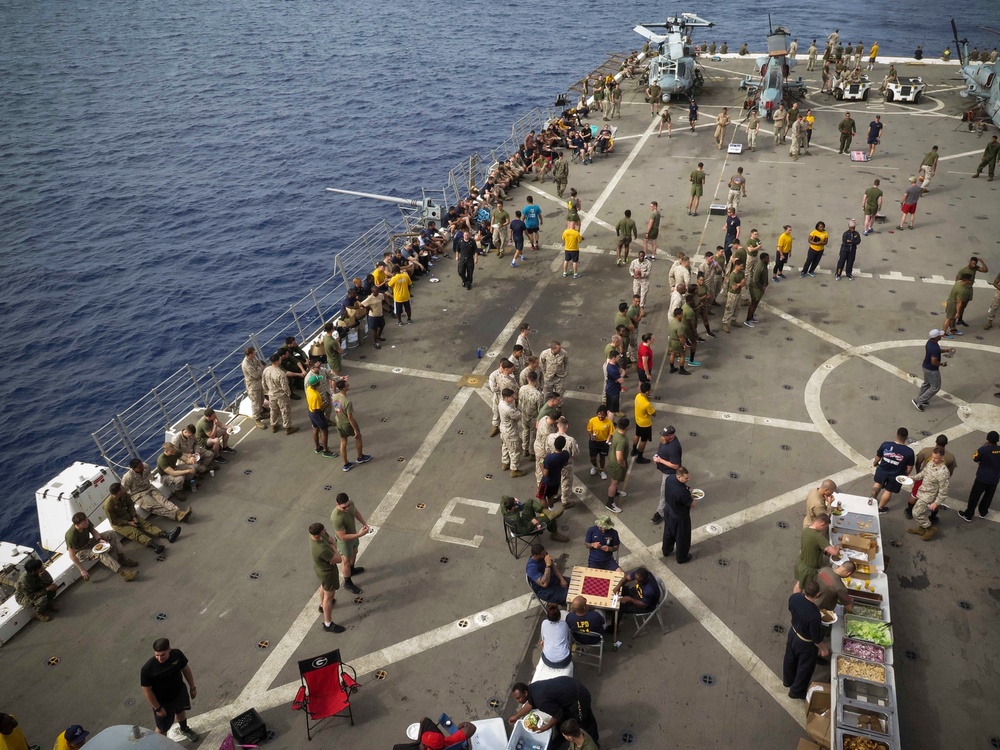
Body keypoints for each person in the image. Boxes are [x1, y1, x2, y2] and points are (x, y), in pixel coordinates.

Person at [140, 638, 199, 742]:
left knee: (180, 710)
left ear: (169, 650)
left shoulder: (177, 654)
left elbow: (185, 669)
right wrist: (157, 708)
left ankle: (184, 729)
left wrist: (192, 687)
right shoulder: (148, 669)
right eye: (156, 655)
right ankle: (160, 745)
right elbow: (147, 691)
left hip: (179, 692)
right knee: (162, 727)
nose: (159, 658)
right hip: (163, 702)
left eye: (162, 655)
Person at [510, 678, 599, 746]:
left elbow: (558, 714)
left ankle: (594, 742)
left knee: (584, 721)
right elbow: (530, 703)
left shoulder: (541, 701)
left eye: (519, 698)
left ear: (525, 693)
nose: (518, 701)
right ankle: (563, 737)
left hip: (579, 697)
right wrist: (516, 716)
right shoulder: (532, 688)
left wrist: (546, 727)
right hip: (569, 688)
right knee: (567, 718)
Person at [783, 581, 829, 700]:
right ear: (817, 594)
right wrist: (823, 649)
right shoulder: (814, 614)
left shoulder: (795, 598)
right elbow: (816, 637)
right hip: (805, 643)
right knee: (805, 668)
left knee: (790, 658)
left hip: (793, 633)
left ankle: (788, 681)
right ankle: (796, 691)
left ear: (805, 590)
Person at [105, 483, 179, 555]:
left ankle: (166, 535)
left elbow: (130, 505)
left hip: (128, 515)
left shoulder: (124, 494)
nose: (124, 487)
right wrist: (129, 523)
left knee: (145, 524)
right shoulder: (108, 505)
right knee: (135, 533)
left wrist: (133, 516)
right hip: (119, 523)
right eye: (122, 487)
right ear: (118, 492)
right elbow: (114, 521)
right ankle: (154, 546)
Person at [65, 511, 139, 582]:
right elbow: (72, 555)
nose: (87, 522)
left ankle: (121, 558)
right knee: (99, 553)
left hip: (88, 542)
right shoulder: (71, 535)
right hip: (80, 552)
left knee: (111, 533)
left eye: (86, 520)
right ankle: (123, 573)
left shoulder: (86, 522)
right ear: (77, 525)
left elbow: (93, 531)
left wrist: (99, 539)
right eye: (84, 523)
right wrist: (82, 570)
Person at [308, 522, 347, 633]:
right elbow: (339, 559)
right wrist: (334, 549)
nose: (325, 531)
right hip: (328, 573)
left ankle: (322, 605)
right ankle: (328, 623)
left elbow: (332, 541)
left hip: (320, 569)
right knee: (329, 597)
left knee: (324, 587)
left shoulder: (313, 535)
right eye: (323, 531)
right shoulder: (321, 549)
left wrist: (332, 546)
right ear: (317, 535)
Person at [122, 458, 190, 521]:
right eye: (139, 467)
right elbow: (123, 490)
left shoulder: (145, 466)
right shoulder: (128, 477)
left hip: (149, 487)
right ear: (133, 469)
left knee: (163, 500)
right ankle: (176, 516)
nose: (142, 468)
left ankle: (178, 512)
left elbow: (149, 475)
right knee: (155, 506)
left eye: (141, 465)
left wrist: (152, 478)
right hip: (138, 494)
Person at [330, 492, 369, 595]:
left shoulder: (350, 503)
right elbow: (342, 537)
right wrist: (360, 534)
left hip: (353, 536)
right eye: (344, 507)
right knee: (346, 561)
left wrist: (364, 523)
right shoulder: (336, 518)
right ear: (337, 505)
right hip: (345, 542)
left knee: (355, 552)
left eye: (347, 505)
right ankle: (347, 582)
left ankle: (352, 570)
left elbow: (356, 512)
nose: (347, 508)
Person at [906, 447, 949, 541]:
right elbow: (923, 474)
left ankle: (930, 528)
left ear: (942, 457)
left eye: (936, 458)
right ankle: (921, 529)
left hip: (929, 496)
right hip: (922, 491)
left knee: (916, 513)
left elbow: (944, 491)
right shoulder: (931, 463)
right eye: (932, 457)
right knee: (920, 512)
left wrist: (936, 503)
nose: (933, 459)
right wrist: (912, 477)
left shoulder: (943, 472)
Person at [870, 428, 915, 512]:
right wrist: (905, 475)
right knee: (888, 491)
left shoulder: (886, 445)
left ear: (896, 435)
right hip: (896, 474)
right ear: (906, 438)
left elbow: (878, 456)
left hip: (882, 470)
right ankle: (879, 509)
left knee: (877, 484)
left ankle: (872, 499)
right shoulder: (909, 452)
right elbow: (910, 467)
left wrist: (875, 463)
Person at [330, 379, 372, 472]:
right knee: (358, 437)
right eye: (347, 385)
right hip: (347, 424)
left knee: (343, 442)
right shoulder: (347, 402)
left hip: (339, 422)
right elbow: (350, 417)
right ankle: (360, 457)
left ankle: (346, 464)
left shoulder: (335, 396)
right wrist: (355, 430)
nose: (348, 386)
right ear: (344, 388)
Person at [959, 431, 1000, 522]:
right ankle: (983, 512)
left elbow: (975, 458)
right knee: (988, 496)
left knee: (974, 496)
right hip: (994, 479)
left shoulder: (984, 449)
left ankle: (969, 515)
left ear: (988, 439)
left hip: (982, 478)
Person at [912, 329, 955, 412]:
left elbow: (936, 351)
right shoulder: (934, 347)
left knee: (926, 384)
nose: (941, 336)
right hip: (932, 370)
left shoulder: (930, 343)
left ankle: (921, 398)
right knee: (935, 387)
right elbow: (934, 361)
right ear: (936, 337)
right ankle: (918, 401)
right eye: (939, 335)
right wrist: (942, 364)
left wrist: (946, 350)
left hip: (925, 366)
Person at [794, 514, 841, 591]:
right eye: (826, 527)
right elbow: (834, 552)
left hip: (801, 563)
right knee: (805, 588)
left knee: (799, 584)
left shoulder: (806, 530)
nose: (824, 529)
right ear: (822, 525)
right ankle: (799, 601)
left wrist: (825, 553)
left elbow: (813, 547)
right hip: (809, 569)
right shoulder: (818, 537)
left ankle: (794, 600)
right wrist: (838, 547)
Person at [661, 466, 695, 563]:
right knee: (682, 537)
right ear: (679, 477)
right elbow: (692, 504)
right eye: (686, 478)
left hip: (668, 511)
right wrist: (693, 497)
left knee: (668, 532)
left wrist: (687, 489)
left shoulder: (670, 478)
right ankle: (682, 557)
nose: (688, 479)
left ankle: (666, 550)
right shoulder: (682, 492)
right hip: (680, 517)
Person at [263, 352, 297, 435]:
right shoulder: (280, 373)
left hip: (271, 394)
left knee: (273, 410)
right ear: (277, 361)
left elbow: (263, 383)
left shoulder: (266, 370)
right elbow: (285, 386)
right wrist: (288, 394)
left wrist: (268, 391)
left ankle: (274, 425)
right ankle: (288, 427)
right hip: (281, 395)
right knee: (285, 411)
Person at [392, 718, 476, 750]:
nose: (422, 743)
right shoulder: (450, 741)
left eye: (423, 743)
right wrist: (463, 724)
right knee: (425, 720)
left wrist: (420, 746)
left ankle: (417, 741)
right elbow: (472, 727)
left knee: (396, 748)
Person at [605, 417, 630, 513]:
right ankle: (610, 503)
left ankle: (615, 492)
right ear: (627, 427)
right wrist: (623, 464)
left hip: (612, 460)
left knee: (615, 481)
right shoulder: (622, 440)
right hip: (617, 464)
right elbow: (619, 456)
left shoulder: (616, 431)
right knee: (614, 483)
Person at [241, 346, 267, 428]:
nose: (255, 353)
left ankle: (261, 412)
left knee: (261, 399)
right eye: (254, 352)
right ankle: (257, 419)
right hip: (253, 385)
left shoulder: (253, 358)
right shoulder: (246, 364)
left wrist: (259, 367)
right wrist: (260, 368)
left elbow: (259, 363)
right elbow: (255, 374)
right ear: (250, 354)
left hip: (259, 382)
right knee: (255, 402)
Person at [539, 603, 572, 668]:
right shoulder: (564, 624)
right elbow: (569, 640)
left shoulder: (544, 623)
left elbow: (543, 639)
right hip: (564, 661)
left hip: (547, 661)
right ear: (559, 616)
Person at [721, 256, 746, 334]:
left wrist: (739, 284)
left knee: (737, 307)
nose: (742, 267)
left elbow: (744, 282)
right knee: (729, 309)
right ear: (736, 265)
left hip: (738, 293)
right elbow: (734, 287)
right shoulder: (732, 275)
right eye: (741, 266)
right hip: (732, 294)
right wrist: (740, 284)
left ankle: (733, 320)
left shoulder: (741, 273)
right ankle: (725, 323)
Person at [746, 252, 769, 325]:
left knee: (755, 304)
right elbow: (755, 280)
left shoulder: (763, 265)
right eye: (767, 258)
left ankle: (751, 317)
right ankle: (748, 320)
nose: (768, 260)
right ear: (763, 259)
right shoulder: (760, 267)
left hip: (758, 288)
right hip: (756, 288)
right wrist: (761, 287)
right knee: (753, 303)